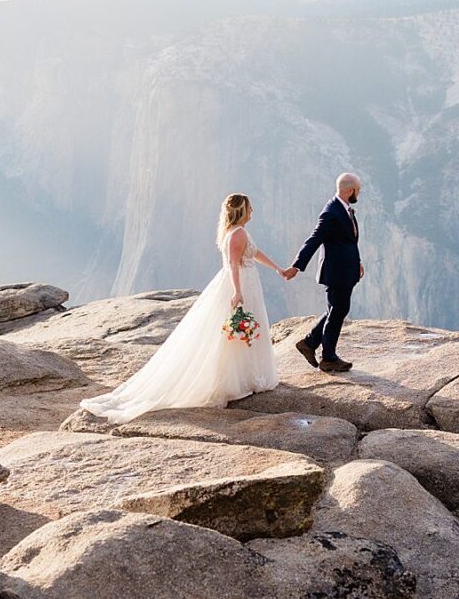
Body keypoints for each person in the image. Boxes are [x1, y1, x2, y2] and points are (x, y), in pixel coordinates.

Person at [77, 193, 291, 424]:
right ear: (242, 211)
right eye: (250, 208)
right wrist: (238, 292)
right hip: (240, 284)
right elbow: (232, 264)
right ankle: (237, 378)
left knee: (240, 330)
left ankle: (246, 376)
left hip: (246, 283)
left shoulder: (237, 232)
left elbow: (253, 253)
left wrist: (278, 269)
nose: (253, 211)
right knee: (235, 331)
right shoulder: (237, 233)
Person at [283, 172, 363, 373]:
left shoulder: (344, 209)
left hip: (347, 269)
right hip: (337, 272)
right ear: (350, 190)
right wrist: (297, 266)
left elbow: (349, 241)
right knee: (337, 311)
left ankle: (309, 344)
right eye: (358, 190)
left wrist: (358, 261)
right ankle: (328, 358)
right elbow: (314, 239)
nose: (359, 194)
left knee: (336, 310)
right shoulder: (331, 212)